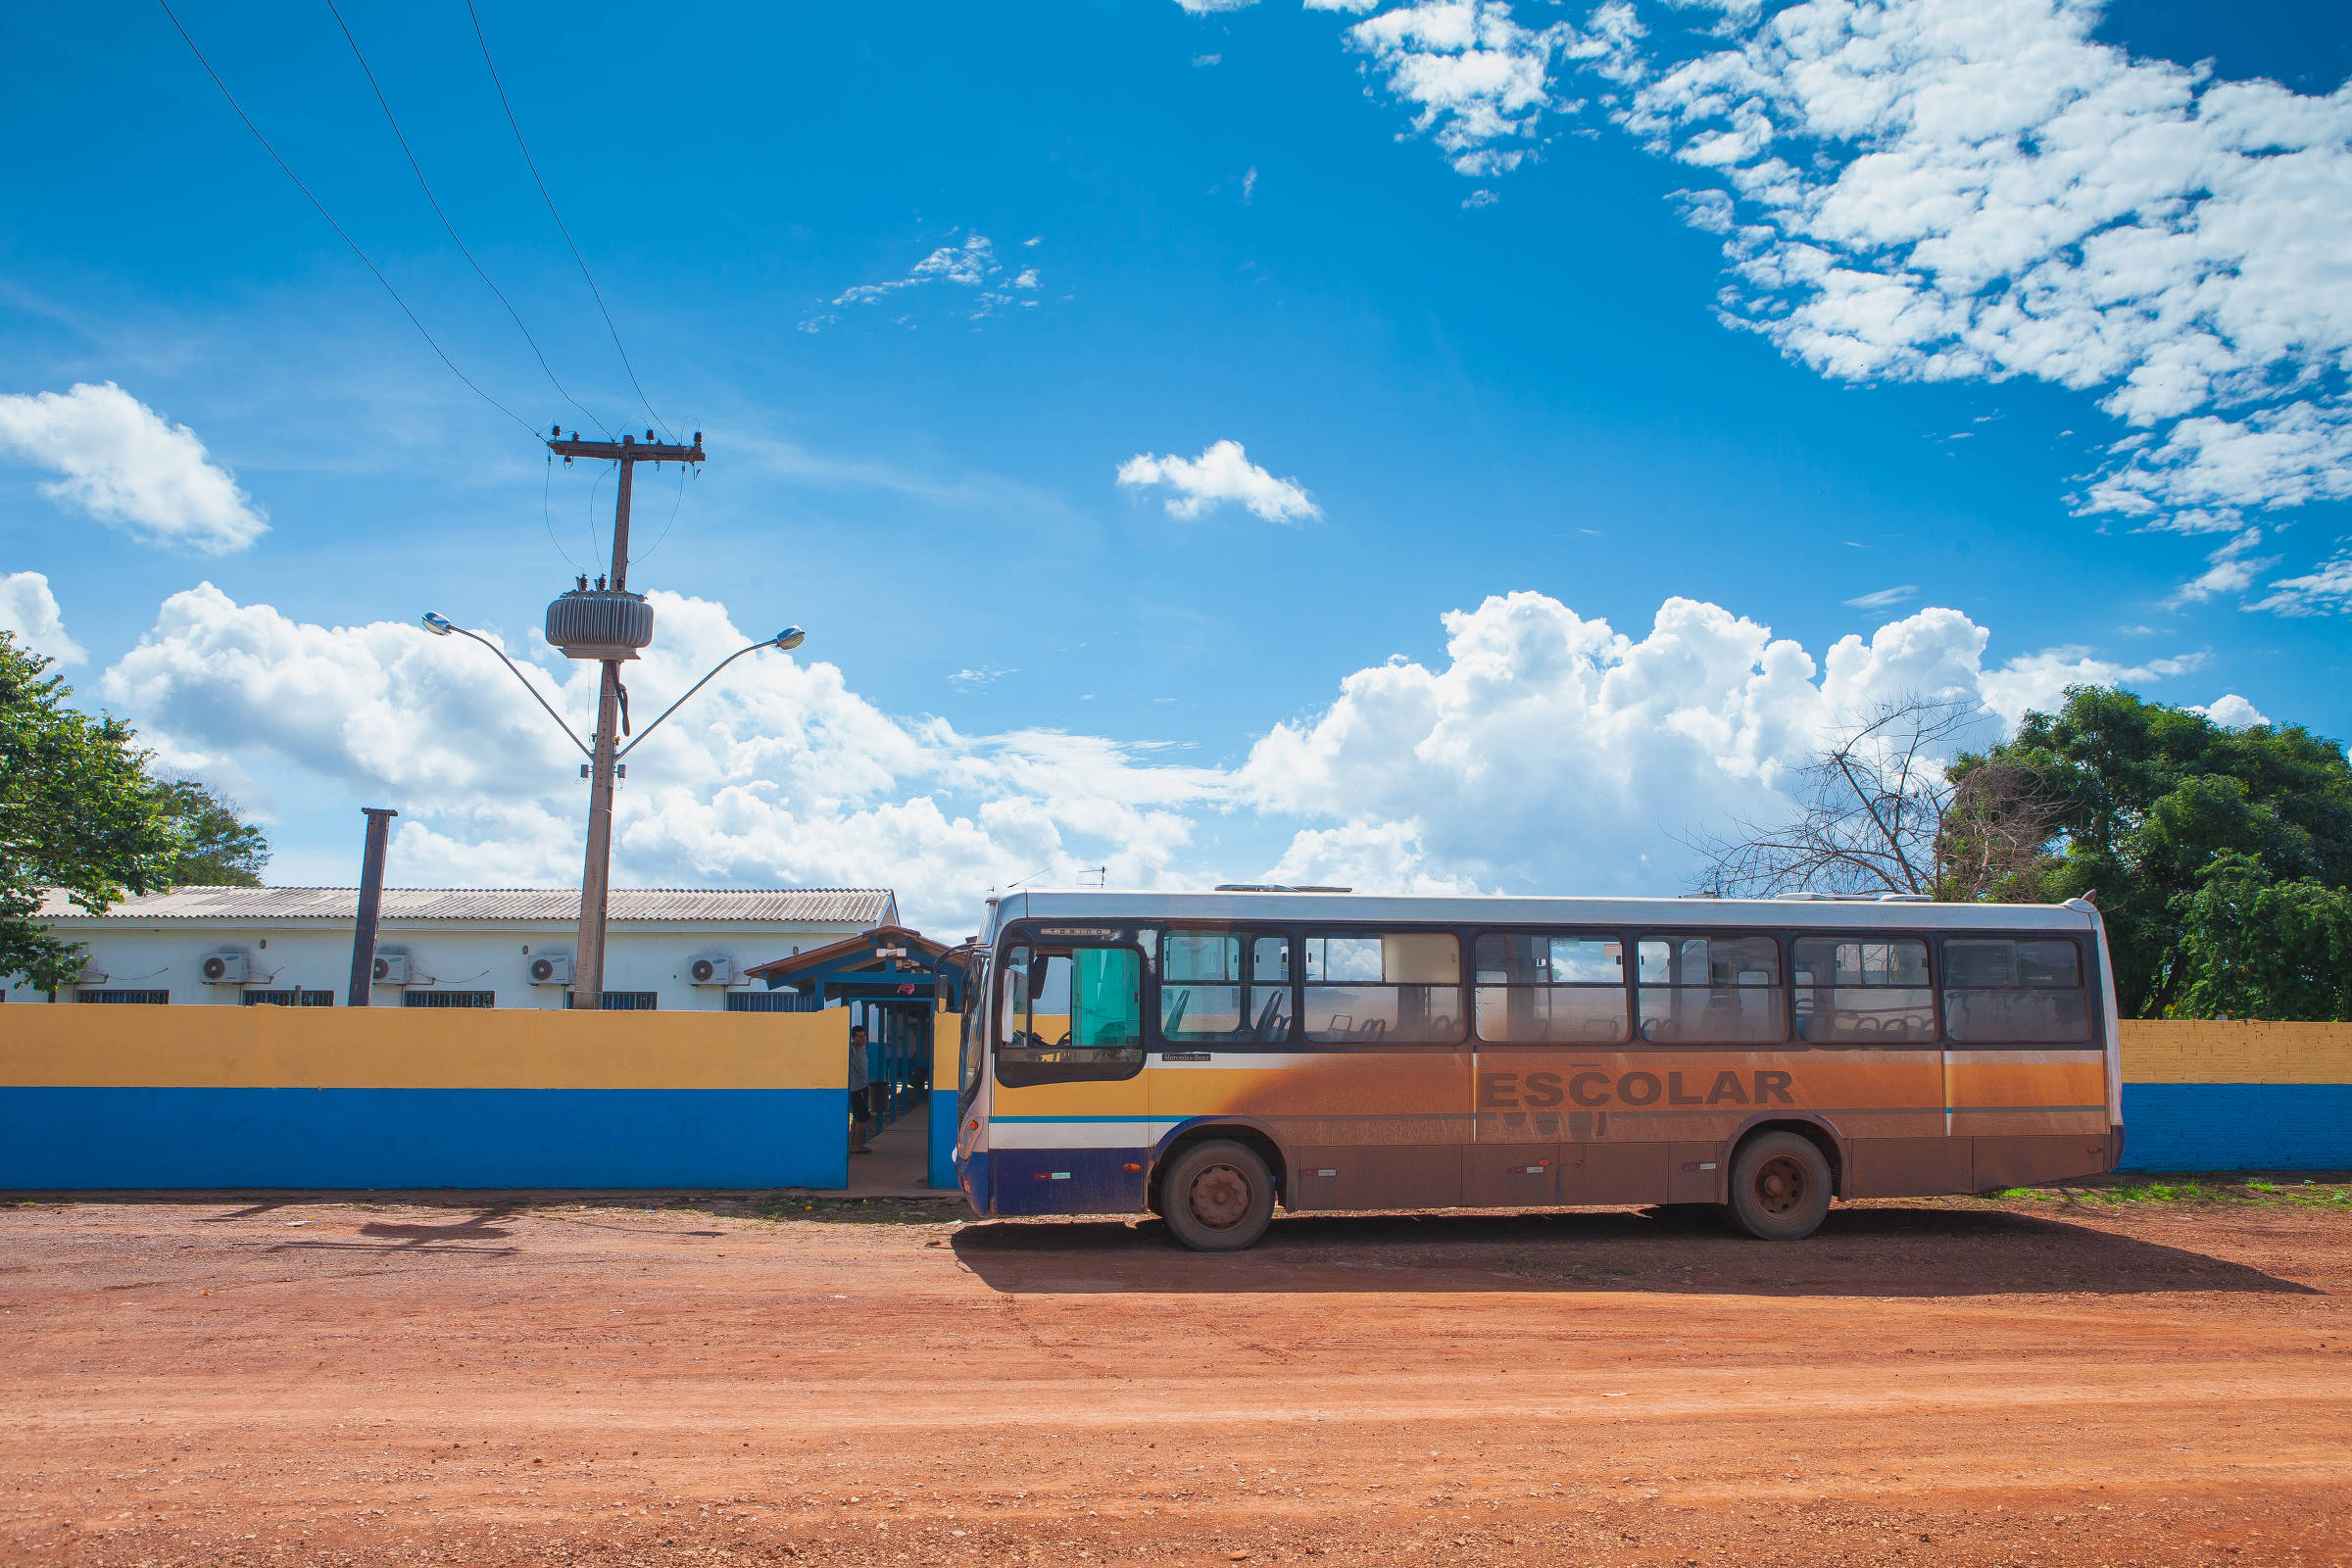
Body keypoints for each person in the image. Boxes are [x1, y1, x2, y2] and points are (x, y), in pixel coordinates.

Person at [849, 1022, 872, 1154]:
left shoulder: (863, 1048)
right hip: (856, 1088)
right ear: (853, 1038)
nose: (862, 1039)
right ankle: (856, 1145)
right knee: (862, 1117)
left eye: (864, 1036)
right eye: (859, 1037)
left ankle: (854, 1145)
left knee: (857, 1117)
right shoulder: (852, 1050)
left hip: (863, 1086)